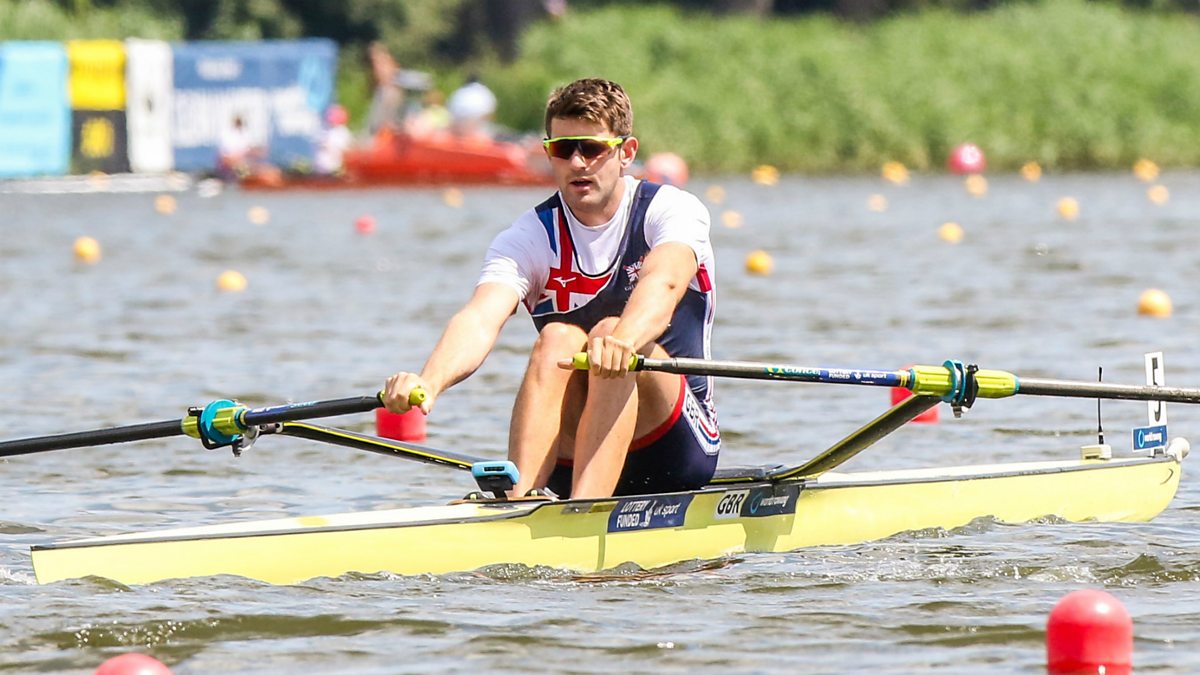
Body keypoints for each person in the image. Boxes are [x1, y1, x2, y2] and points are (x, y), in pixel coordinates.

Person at [382, 78, 719, 500]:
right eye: (563, 149)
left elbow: (664, 282)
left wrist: (623, 341)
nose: (577, 163)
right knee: (557, 339)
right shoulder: (530, 235)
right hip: (570, 453)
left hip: (673, 449)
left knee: (609, 333)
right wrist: (429, 382)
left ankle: (583, 512)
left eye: (592, 149)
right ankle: (518, 499)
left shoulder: (671, 210)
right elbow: (481, 317)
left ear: (626, 153)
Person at [364, 41, 404, 136]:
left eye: (383, 64)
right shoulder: (381, 92)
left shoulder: (396, 93)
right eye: (375, 65)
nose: (379, 70)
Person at [314, 104, 353, 175]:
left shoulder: (343, 132)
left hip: (335, 165)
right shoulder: (325, 130)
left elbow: (346, 148)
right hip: (322, 167)